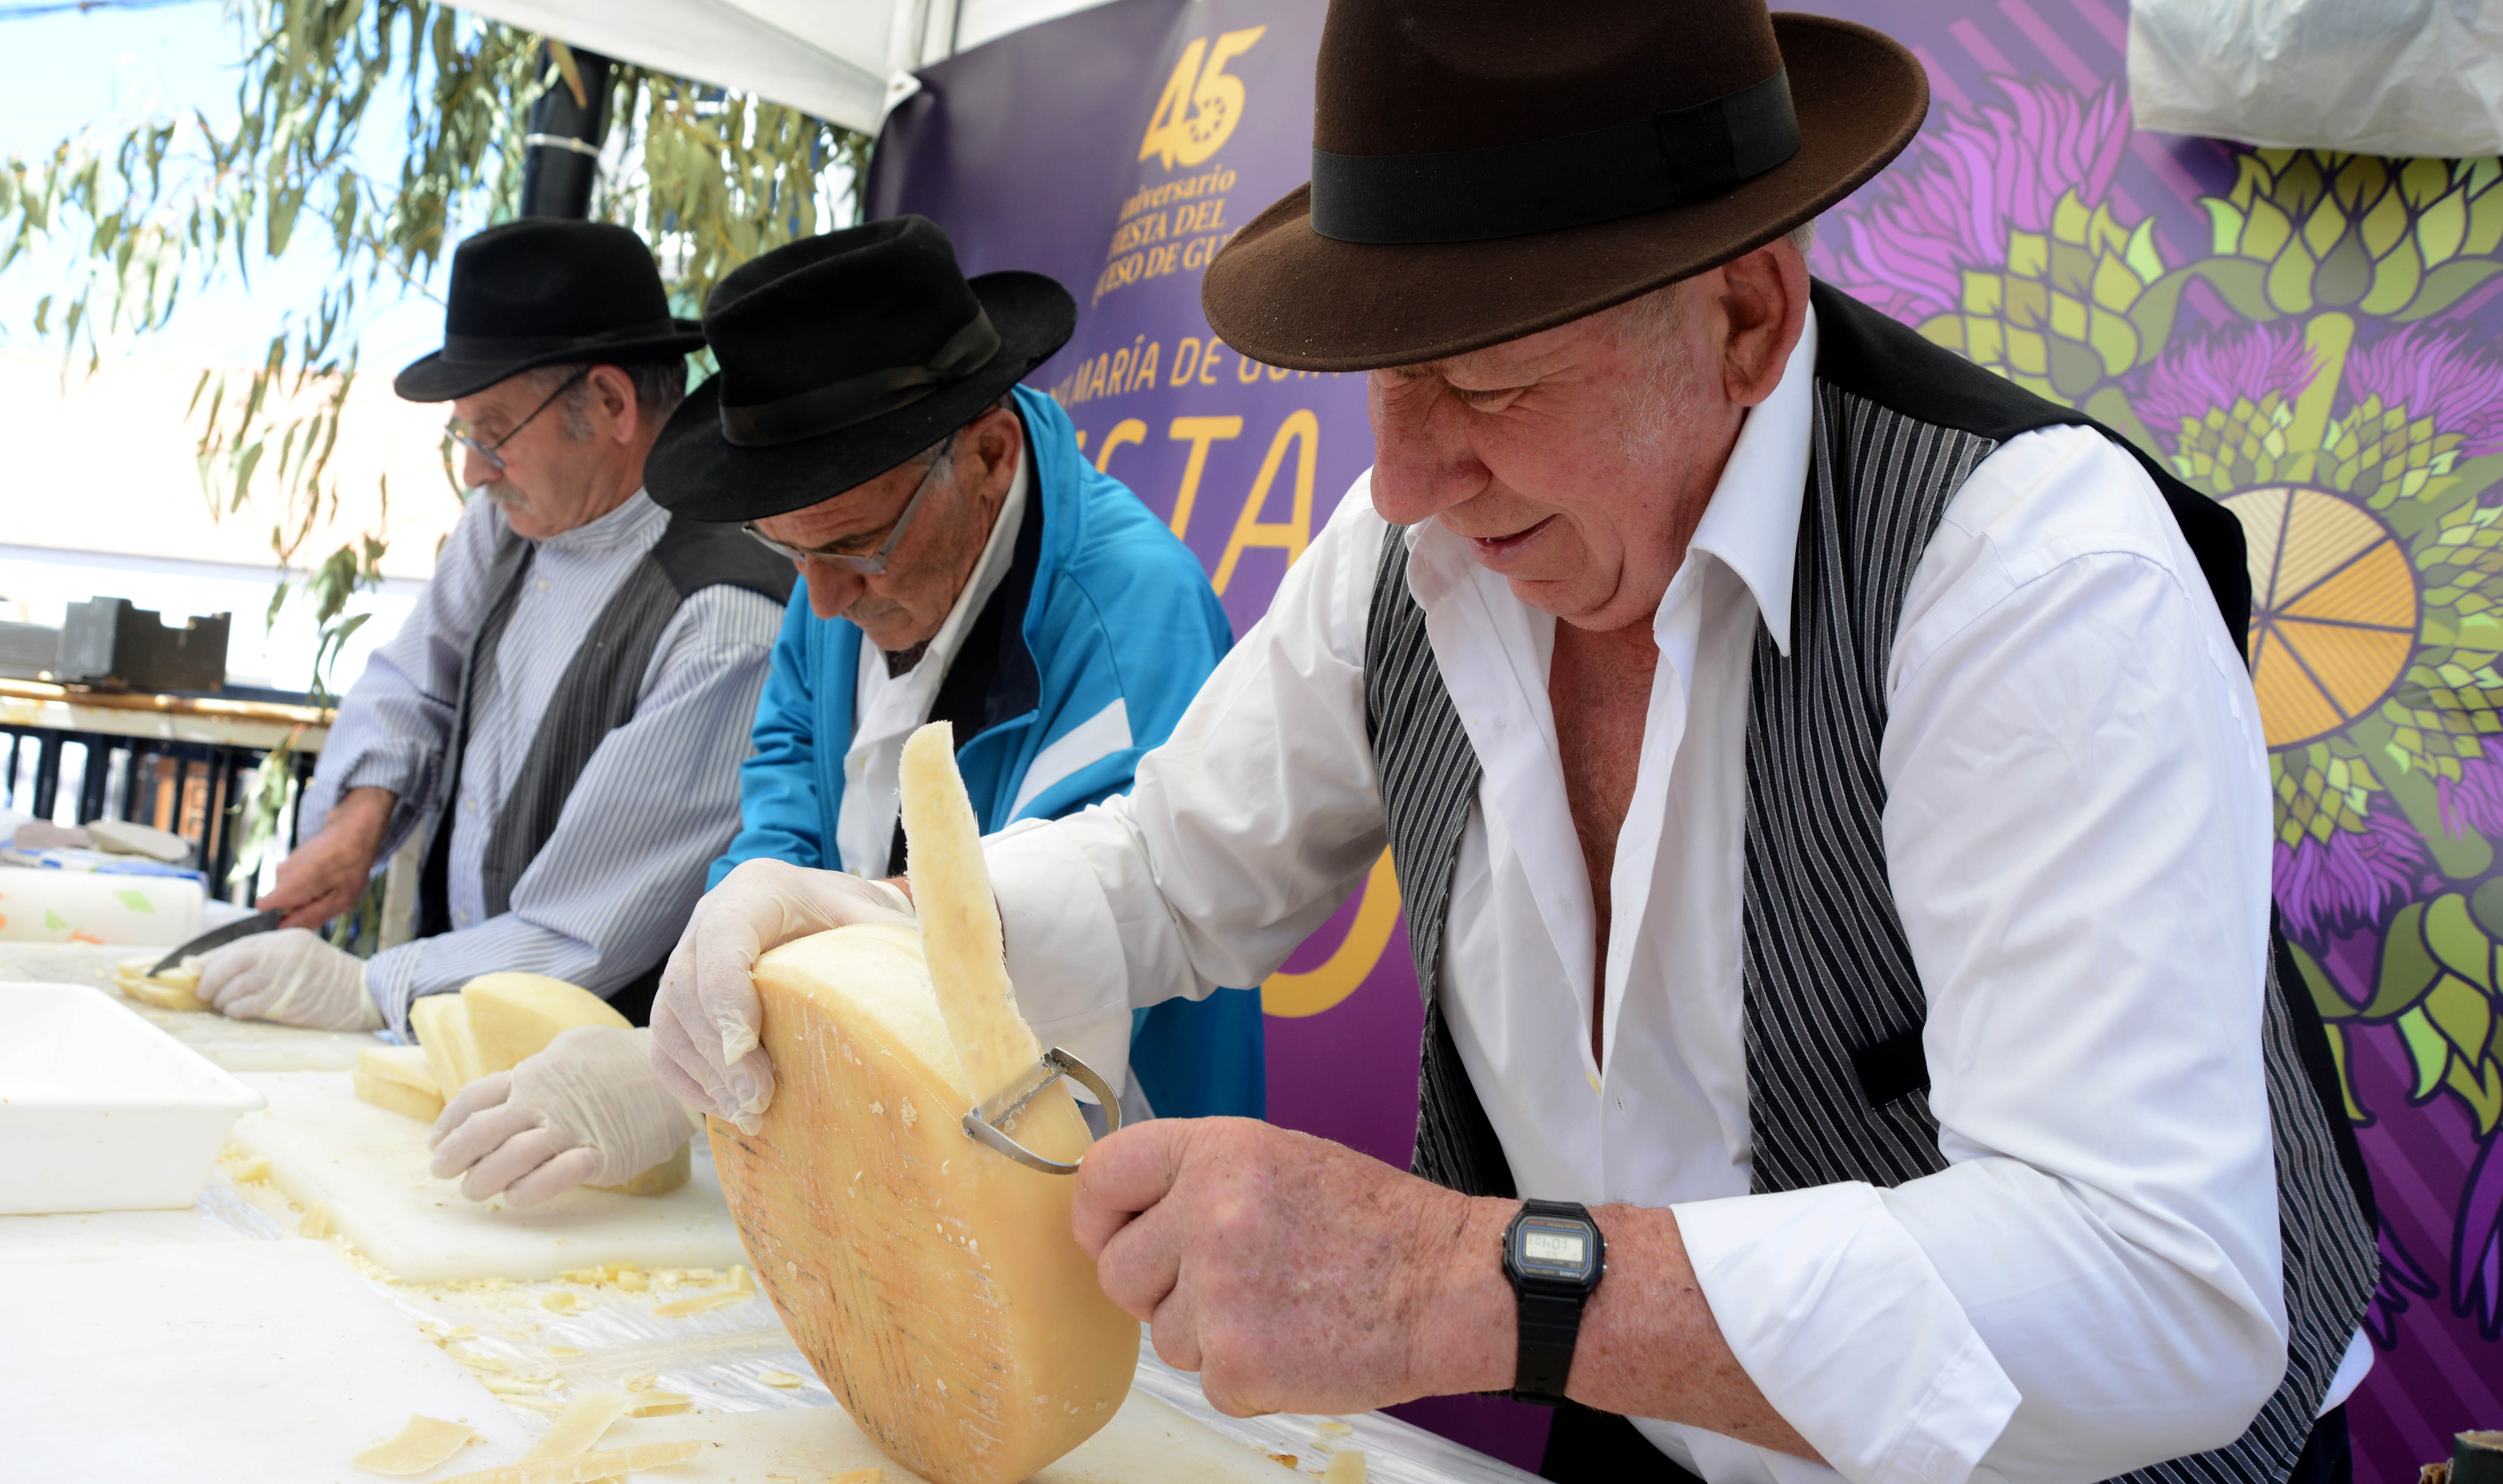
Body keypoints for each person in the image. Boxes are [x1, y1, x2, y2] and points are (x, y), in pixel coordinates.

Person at [654, 4, 2384, 1484]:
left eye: (1483, 387)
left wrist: (1464, 1281)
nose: (1404, 479)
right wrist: (874, 931)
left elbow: (2160, 1287)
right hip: (1642, 1437)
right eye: (1381, 384)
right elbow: (1170, 875)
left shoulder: (2025, 572)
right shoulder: (1405, 554)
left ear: (1746, 318)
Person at [199, 219, 794, 1208]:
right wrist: (359, 825)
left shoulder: (722, 614)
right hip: (452, 1036)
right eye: (467, 435)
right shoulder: (508, 522)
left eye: (492, 430)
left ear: (606, 402)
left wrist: (366, 989)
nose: (475, 468)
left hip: (608, 1122)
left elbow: (585, 930)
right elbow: (413, 683)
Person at [641, 215, 1263, 1126]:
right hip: (865, 1119)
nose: (818, 603)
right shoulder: (831, 569)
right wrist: (733, 963)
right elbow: (784, 788)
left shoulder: (1134, 621)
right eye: (785, 549)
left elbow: (1060, 947)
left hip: (1094, 1159)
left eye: (859, 546)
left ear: (987, 454)